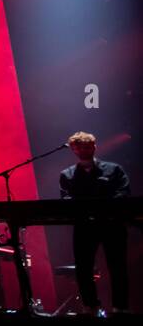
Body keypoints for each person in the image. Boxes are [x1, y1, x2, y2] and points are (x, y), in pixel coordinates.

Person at [59, 131, 130, 314]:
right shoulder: (67, 174)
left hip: (112, 225)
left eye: (88, 146)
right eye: (80, 146)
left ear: (94, 147)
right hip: (84, 227)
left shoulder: (113, 169)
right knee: (83, 269)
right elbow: (66, 200)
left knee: (118, 267)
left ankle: (120, 308)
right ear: (74, 149)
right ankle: (90, 306)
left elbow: (123, 193)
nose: (84, 149)